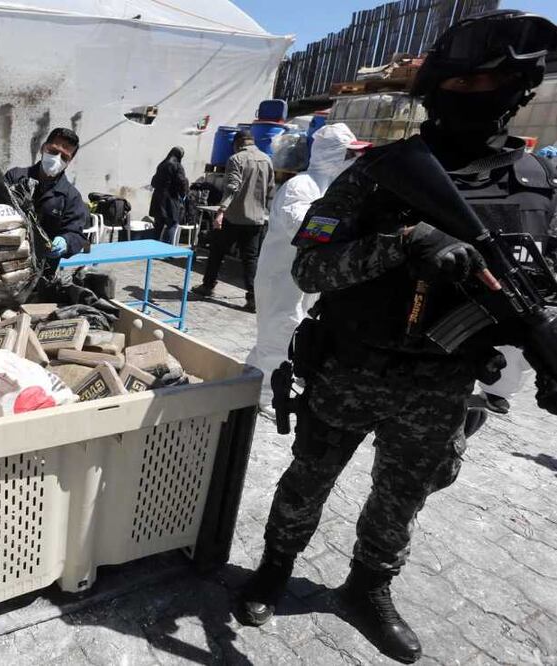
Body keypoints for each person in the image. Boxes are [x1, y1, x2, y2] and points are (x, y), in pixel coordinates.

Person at [237, 11, 557, 663]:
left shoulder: (534, 190)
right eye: (456, 84)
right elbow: (308, 266)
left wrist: (543, 346)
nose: (468, 97)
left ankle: (367, 588)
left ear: (517, 91)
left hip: (441, 383)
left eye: (485, 84)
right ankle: (272, 571)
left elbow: (535, 285)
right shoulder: (381, 171)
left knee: (401, 498)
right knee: (307, 481)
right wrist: (402, 243)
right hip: (350, 366)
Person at [245, 124, 370, 406]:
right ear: (332, 155)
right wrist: (348, 229)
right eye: (350, 154)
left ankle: (246, 379)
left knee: (284, 334)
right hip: (281, 281)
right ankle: (263, 398)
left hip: (304, 280)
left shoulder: (332, 190)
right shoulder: (300, 187)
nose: (355, 161)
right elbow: (305, 229)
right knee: (280, 335)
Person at [194, 130, 275, 312]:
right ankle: (253, 299)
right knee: (250, 259)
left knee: (217, 252)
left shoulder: (236, 159)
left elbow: (232, 187)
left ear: (238, 142)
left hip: (234, 217)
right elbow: (270, 189)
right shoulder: (267, 160)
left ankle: (207, 286)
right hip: (256, 220)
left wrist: (221, 211)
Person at [5, 127, 90, 260]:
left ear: (69, 162)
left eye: (64, 157)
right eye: (53, 151)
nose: (57, 159)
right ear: (43, 148)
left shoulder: (71, 197)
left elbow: (77, 235)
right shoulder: (14, 177)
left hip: (44, 268)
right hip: (7, 257)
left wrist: (65, 241)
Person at [149, 146, 189, 242]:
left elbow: (153, 182)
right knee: (172, 224)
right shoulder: (177, 166)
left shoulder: (162, 165)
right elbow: (182, 182)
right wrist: (184, 194)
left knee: (158, 226)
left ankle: (152, 249)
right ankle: (169, 252)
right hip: (170, 200)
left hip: (158, 199)